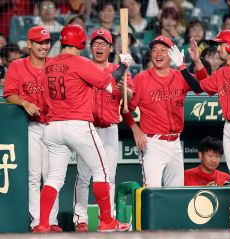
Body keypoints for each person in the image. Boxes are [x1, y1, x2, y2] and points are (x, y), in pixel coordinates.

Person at [33, 24, 132, 233]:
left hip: (52, 127)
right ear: (81, 42)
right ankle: (106, 221)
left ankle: (42, 224)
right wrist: (123, 66)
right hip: (77, 124)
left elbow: (42, 96)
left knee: (53, 178)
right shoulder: (80, 62)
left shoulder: (48, 65)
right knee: (102, 172)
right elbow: (107, 83)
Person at [168, 29, 230, 229]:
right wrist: (183, 66)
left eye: (221, 44)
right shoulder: (222, 72)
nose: (218, 48)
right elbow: (199, 87)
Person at [121, 35, 207, 187]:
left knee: (175, 192)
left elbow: (203, 84)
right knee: (152, 190)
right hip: (153, 143)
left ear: (171, 54)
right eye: (154, 50)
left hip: (175, 143)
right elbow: (125, 109)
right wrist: (136, 129)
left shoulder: (180, 75)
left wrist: (197, 62)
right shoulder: (141, 79)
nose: (158, 54)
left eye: (163, 50)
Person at [73, 27, 134, 232]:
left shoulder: (120, 69)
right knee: (83, 176)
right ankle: (80, 219)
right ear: (90, 48)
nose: (99, 47)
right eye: (95, 44)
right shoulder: (83, 67)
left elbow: (131, 97)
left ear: (110, 48)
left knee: (109, 176)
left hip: (109, 128)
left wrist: (122, 86)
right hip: (87, 127)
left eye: (103, 44)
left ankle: (108, 219)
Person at [3, 25, 61, 232]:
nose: (44, 46)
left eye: (47, 42)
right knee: (34, 176)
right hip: (32, 127)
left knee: (52, 175)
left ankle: (52, 221)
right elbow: (9, 93)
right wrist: (25, 102)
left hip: (54, 126)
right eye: (40, 42)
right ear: (29, 44)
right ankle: (38, 221)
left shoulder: (55, 65)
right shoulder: (18, 66)